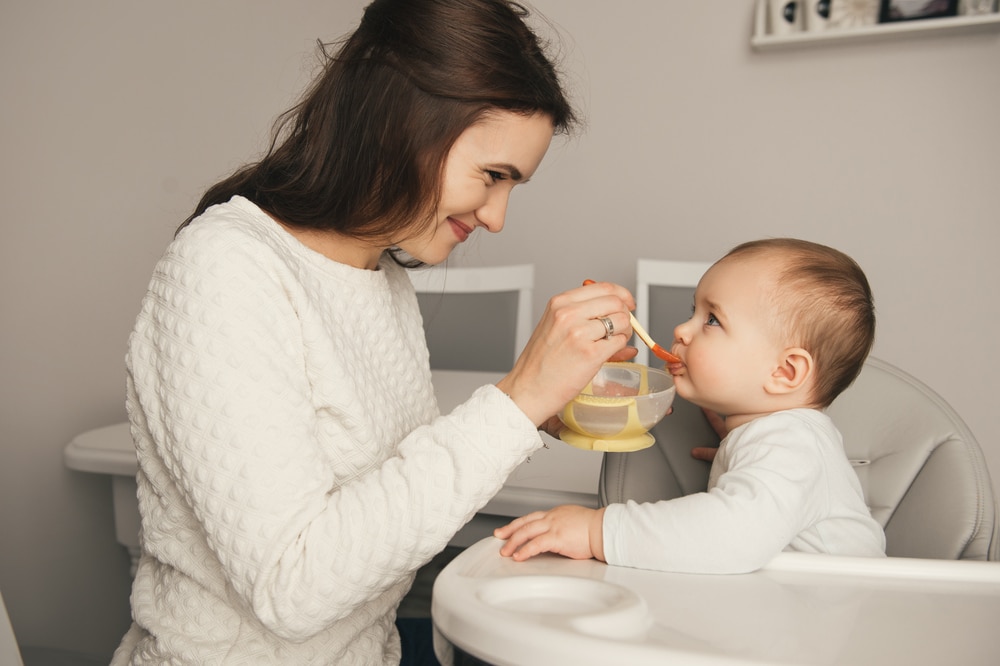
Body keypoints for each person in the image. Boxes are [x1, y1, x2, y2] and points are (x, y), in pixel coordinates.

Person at [112, 1, 639, 664]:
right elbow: (292, 586)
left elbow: (380, 485)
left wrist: (538, 412)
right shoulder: (223, 268)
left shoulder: (379, 275)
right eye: (492, 176)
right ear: (401, 125)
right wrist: (516, 401)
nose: (498, 216)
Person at [495, 238, 887, 574]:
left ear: (785, 371)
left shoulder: (791, 445)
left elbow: (732, 536)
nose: (682, 330)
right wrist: (739, 446)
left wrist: (596, 532)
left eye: (712, 320)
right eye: (693, 312)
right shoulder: (782, 439)